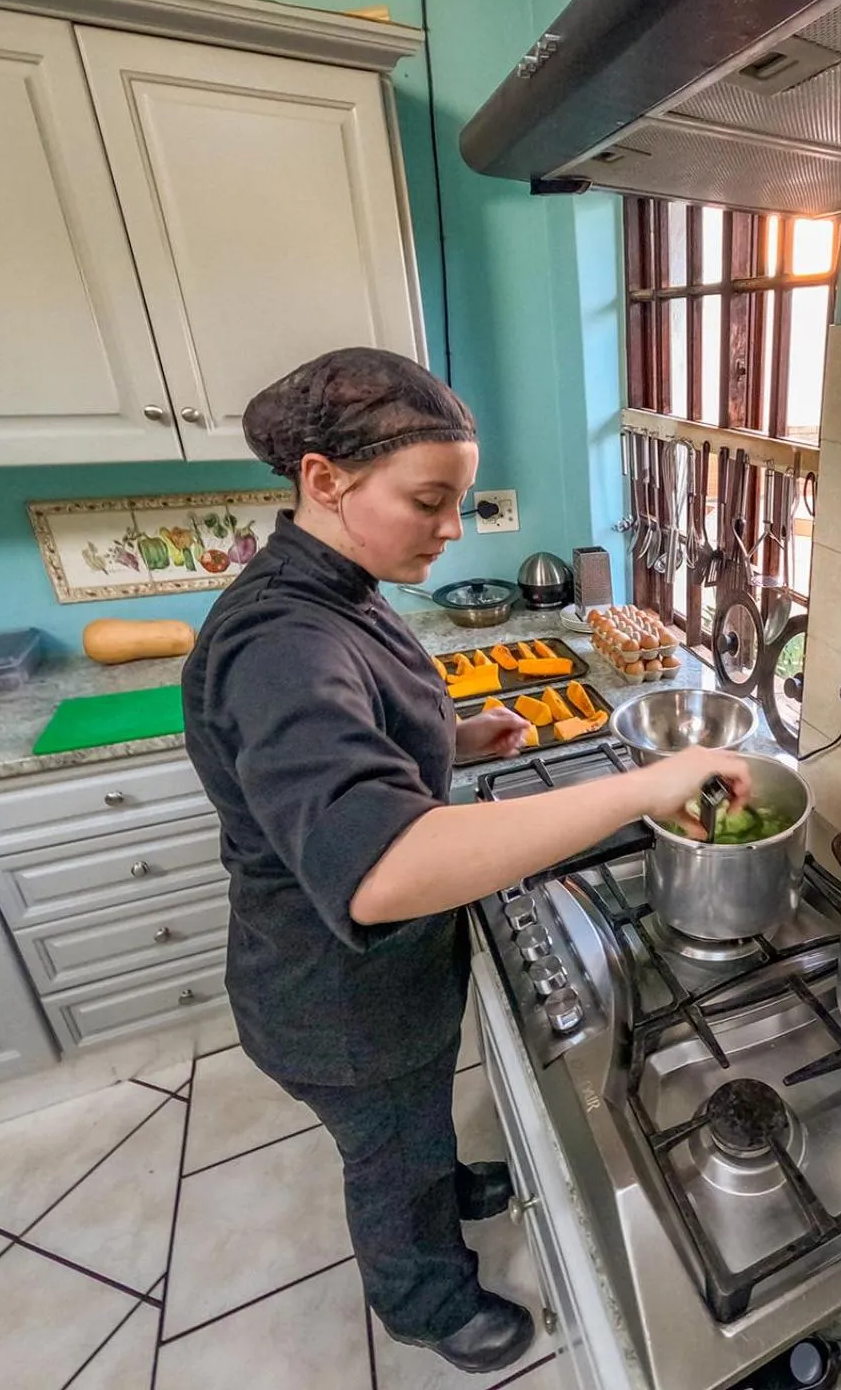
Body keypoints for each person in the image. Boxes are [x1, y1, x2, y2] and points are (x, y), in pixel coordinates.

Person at [181, 348, 749, 1375]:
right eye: (430, 500)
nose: (453, 528)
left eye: (461, 500)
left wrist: (443, 735)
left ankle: (441, 1185)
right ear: (324, 479)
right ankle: (424, 1296)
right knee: (389, 1153)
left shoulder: (338, 585)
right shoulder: (279, 642)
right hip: (335, 997)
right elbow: (381, 865)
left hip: (381, 980)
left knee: (416, 1117)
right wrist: (639, 786)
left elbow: (352, 736)